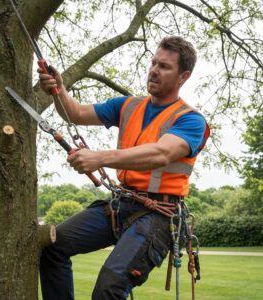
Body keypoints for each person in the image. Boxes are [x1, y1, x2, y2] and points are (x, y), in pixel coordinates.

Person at [39, 36, 210, 300]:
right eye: (153, 63)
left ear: (183, 77)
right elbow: (76, 113)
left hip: (158, 214)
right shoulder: (128, 105)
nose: (154, 70)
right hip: (121, 204)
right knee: (52, 246)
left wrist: (100, 158)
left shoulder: (191, 121)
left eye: (164, 66)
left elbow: (161, 153)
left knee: (110, 287)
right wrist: (59, 89)